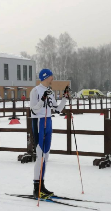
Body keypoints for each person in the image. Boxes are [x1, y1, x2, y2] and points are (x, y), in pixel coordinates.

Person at [30, 69, 69, 199]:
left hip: (49, 121)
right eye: (51, 76)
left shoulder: (50, 91)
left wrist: (64, 98)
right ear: (46, 77)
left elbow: (56, 109)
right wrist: (43, 99)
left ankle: (42, 185)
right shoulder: (35, 91)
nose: (53, 78)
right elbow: (33, 109)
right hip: (39, 122)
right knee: (40, 156)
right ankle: (36, 188)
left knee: (46, 156)